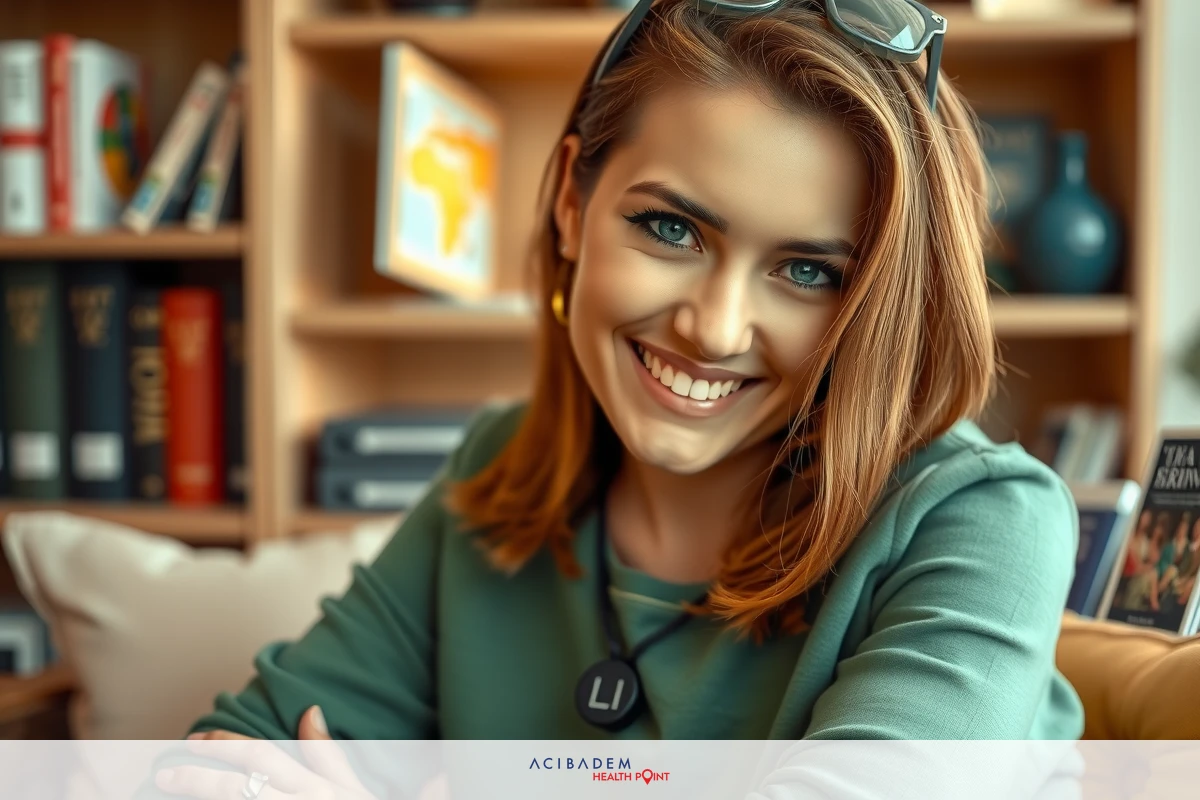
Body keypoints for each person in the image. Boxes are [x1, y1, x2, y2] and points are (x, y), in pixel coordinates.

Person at [155, 2, 1083, 795]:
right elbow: (228, 763)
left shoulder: (984, 520)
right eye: (671, 227)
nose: (715, 329)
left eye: (807, 270)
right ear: (569, 200)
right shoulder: (499, 467)